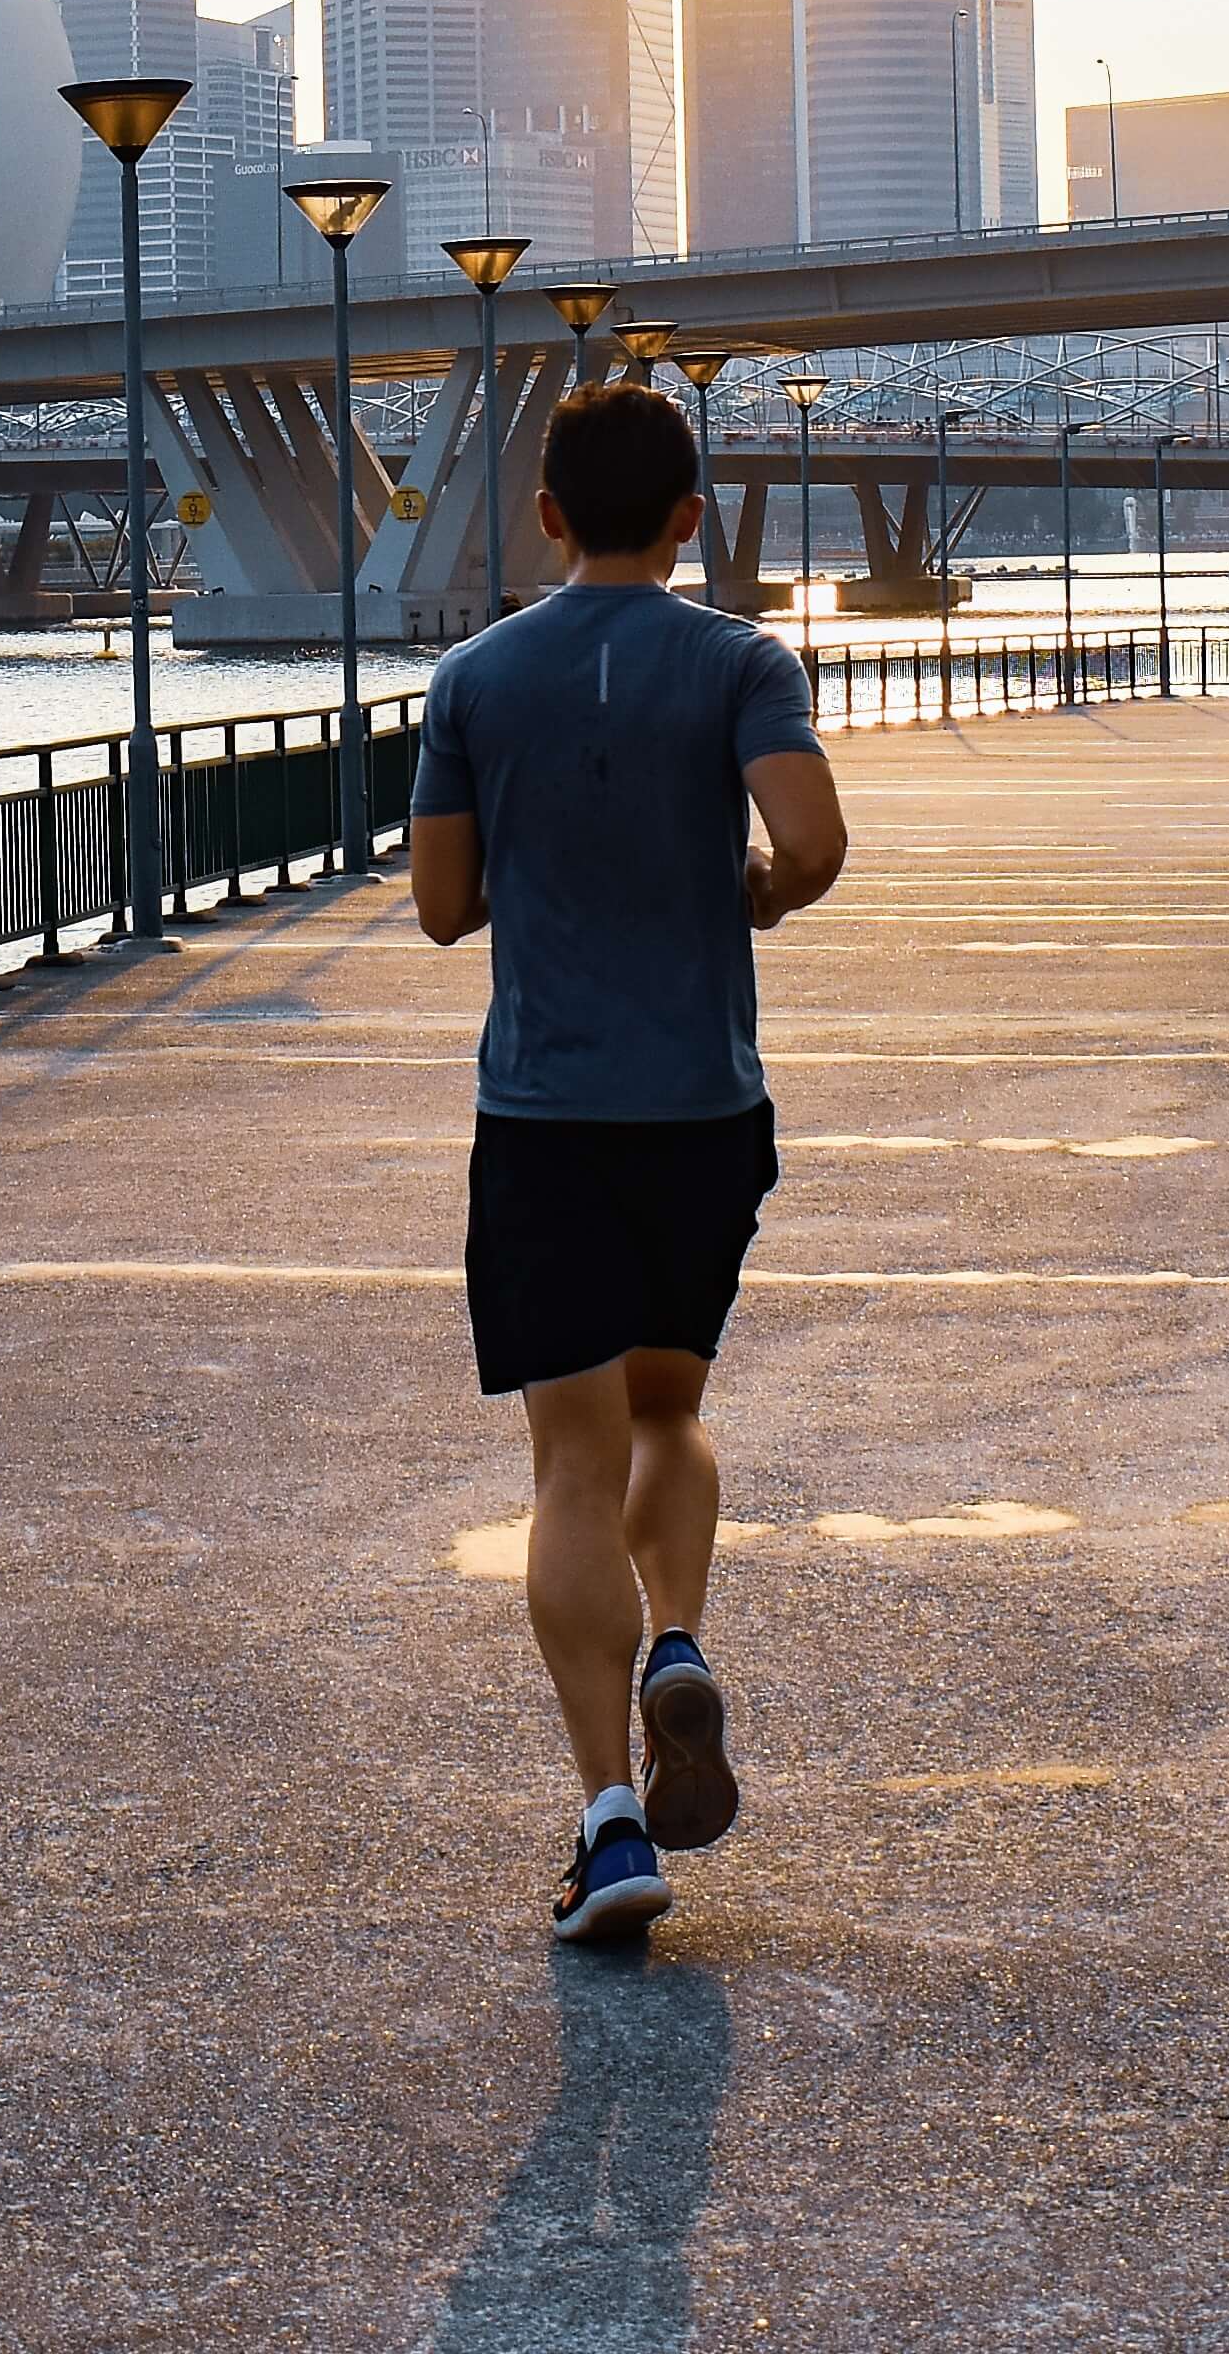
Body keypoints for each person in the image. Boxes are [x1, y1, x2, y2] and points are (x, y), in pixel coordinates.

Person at [410, 375, 851, 1944]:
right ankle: (680, 1642)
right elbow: (811, 845)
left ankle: (608, 1823)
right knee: (670, 1412)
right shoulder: (741, 661)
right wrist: (756, 894)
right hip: (700, 1112)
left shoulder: (471, 681)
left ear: (542, 515)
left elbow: (441, 908)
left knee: (567, 1465)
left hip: (543, 1117)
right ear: (687, 520)